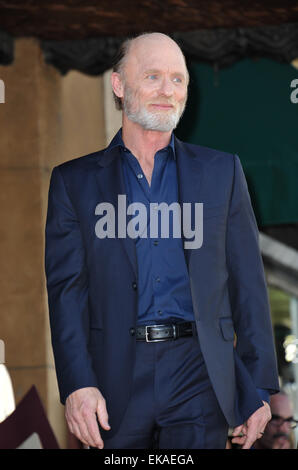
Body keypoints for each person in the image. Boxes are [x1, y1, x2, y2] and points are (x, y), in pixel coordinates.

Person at [45, 32, 279, 449]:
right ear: (119, 85)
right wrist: (76, 384)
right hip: (113, 376)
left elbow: (248, 284)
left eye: (178, 79)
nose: (167, 91)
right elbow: (67, 293)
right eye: (152, 76)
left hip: (200, 374)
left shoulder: (221, 172)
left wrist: (259, 388)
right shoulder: (73, 183)